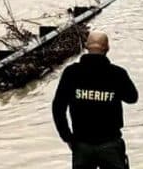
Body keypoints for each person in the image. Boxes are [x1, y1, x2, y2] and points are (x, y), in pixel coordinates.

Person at [51, 31, 138, 169]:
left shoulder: (71, 73)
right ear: (107, 48)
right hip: (111, 144)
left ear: (86, 46)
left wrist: (67, 136)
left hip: (81, 144)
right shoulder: (117, 73)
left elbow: (58, 108)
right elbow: (132, 98)